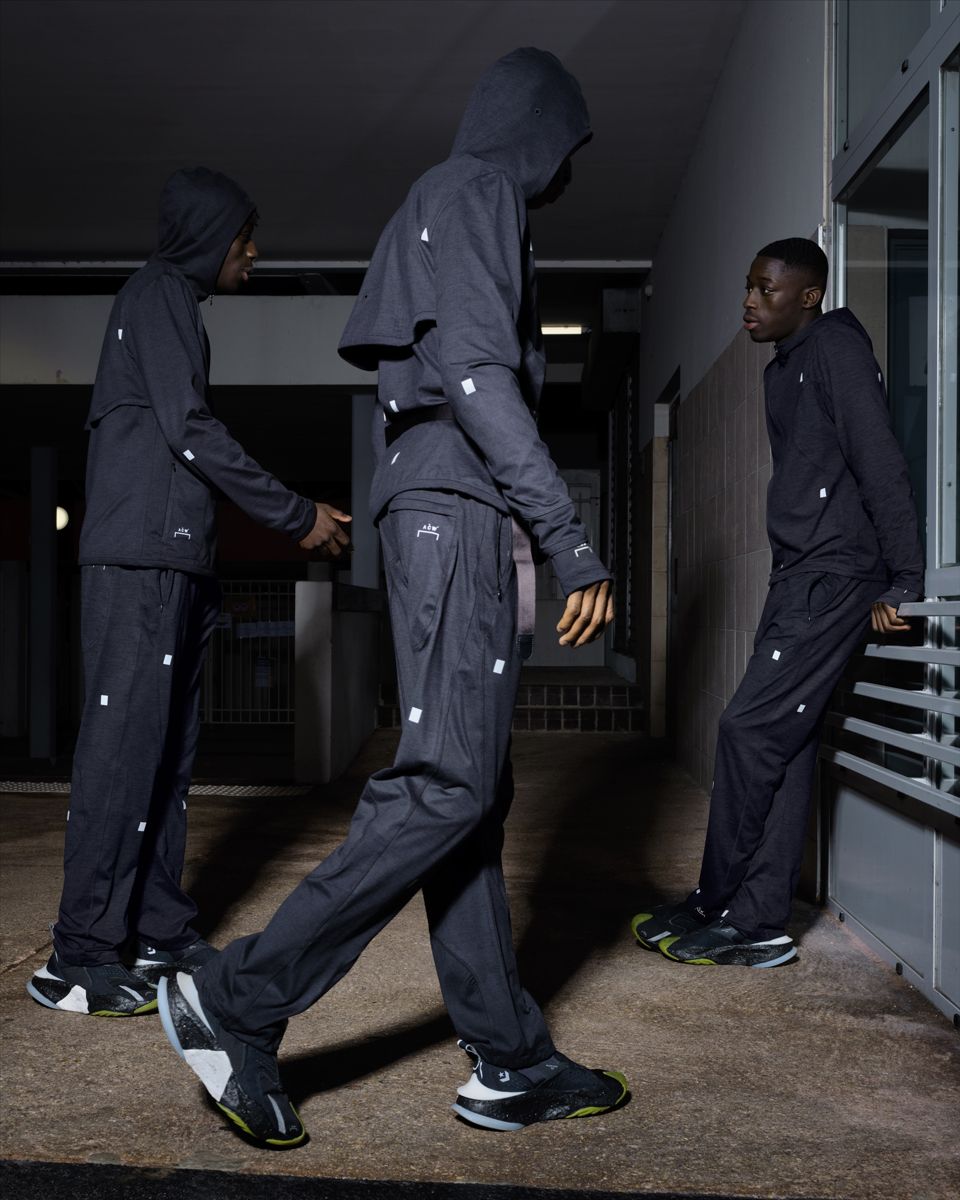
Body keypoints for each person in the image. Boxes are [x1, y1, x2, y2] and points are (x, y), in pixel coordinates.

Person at [157, 49, 627, 1149]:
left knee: (468, 798)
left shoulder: (455, 198)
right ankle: (238, 999)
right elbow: (476, 372)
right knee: (444, 787)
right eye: (566, 148)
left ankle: (511, 1058)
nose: (565, 174)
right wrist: (570, 541)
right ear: (538, 129)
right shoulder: (476, 189)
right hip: (454, 508)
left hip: (442, 505)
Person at [27, 167, 351, 1018]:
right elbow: (190, 430)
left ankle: (157, 927)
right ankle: (78, 957)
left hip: (175, 564)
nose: (255, 251)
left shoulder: (171, 304)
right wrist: (294, 514)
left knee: (167, 756)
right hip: (139, 564)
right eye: (246, 236)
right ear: (211, 238)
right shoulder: (159, 291)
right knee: (121, 751)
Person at [631, 237, 923, 967]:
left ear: (808, 295)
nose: (750, 301)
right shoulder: (785, 365)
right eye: (750, 286)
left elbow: (878, 457)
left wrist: (906, 576)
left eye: (766, 289)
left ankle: (721, 900)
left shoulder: (835, 349)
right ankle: (754, 917)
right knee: (785, 744)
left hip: (835, 572)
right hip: (800, 571)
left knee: (746, 730)